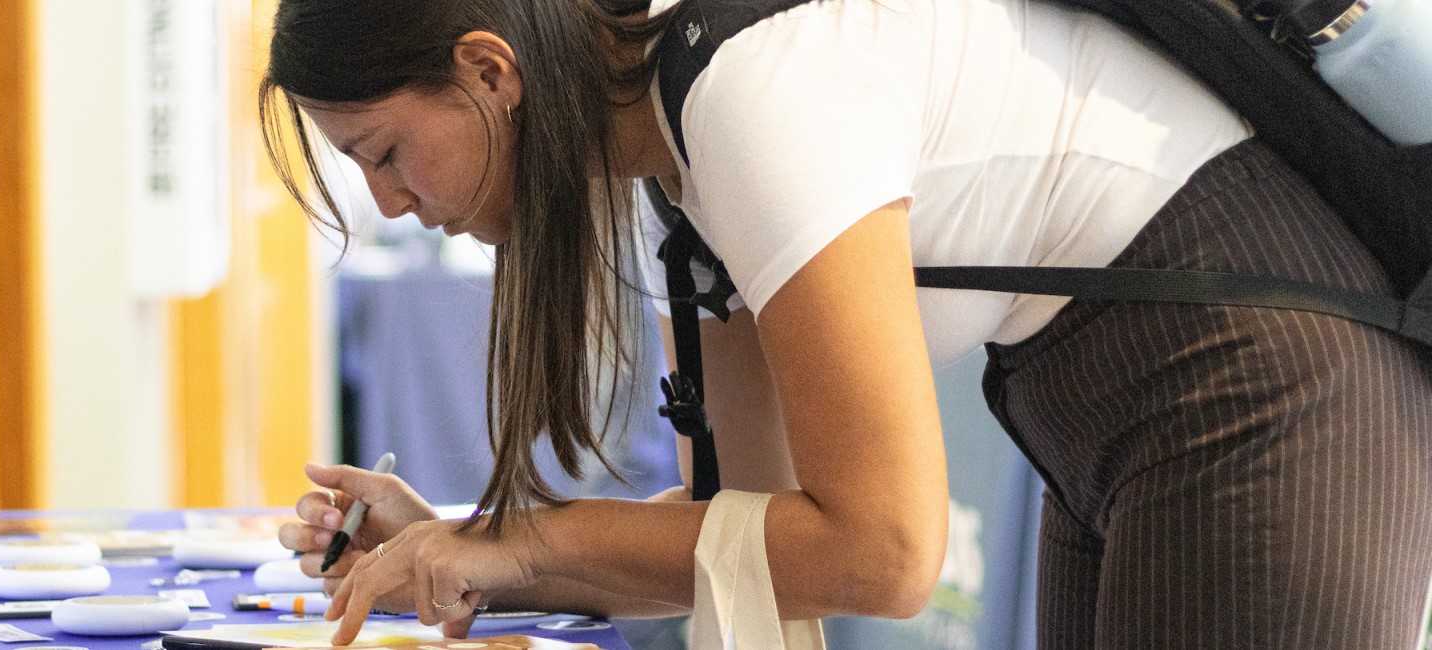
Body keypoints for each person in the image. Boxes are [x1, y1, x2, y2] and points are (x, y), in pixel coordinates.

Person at [262, 0, 1432, 647]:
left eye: (383, 151)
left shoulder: (755, 91)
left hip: (1256, 383)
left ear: (489, 70)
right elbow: (757, 537)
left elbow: (882, 550)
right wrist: (468, 548)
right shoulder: (673, 148)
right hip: (1139, 408)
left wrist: (531, 539)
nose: (389, 200)